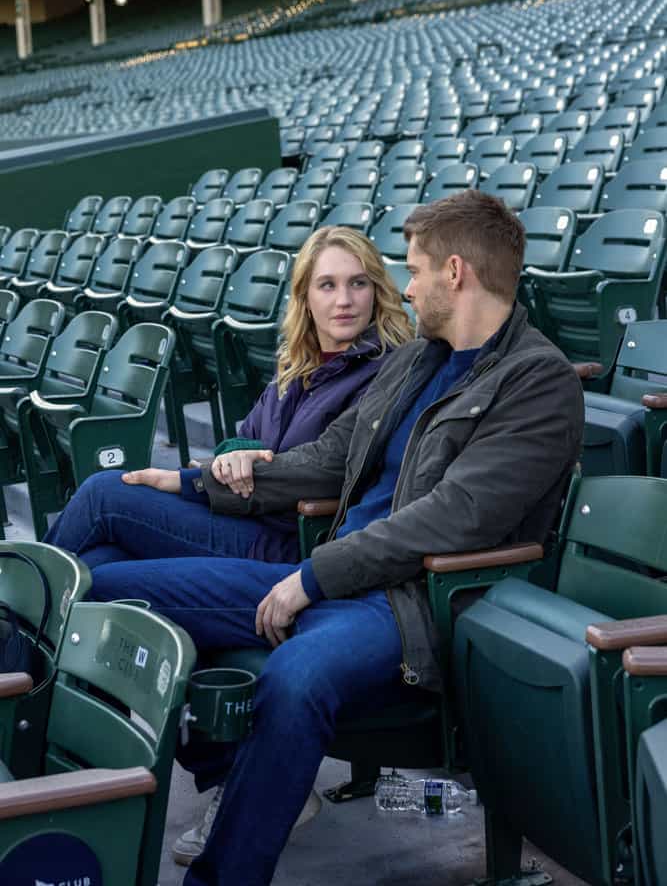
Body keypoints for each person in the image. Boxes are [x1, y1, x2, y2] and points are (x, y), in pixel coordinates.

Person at [90, 189, 585, 886]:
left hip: (409, 605)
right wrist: (194, 481)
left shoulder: (537, 383)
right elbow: (327, 459)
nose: (403, 289)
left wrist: (310, 579)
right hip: (334, 575)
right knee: (101, 592)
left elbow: (452, 517)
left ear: (453, 272)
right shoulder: (419, 359)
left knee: (294, 678)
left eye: (411, 271)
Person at [44, 226, 413, 570]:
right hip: (239, 514)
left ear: (377, 291)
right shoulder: (299, 364)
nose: (344, 300)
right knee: (100, 560)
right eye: (327, 286)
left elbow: (323, 469)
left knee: (102, 494)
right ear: (306, 297)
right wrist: (233, 458)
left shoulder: (386, 369)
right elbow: (242, 438)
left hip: (284, 541)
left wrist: (198, 478)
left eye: (358, 284)